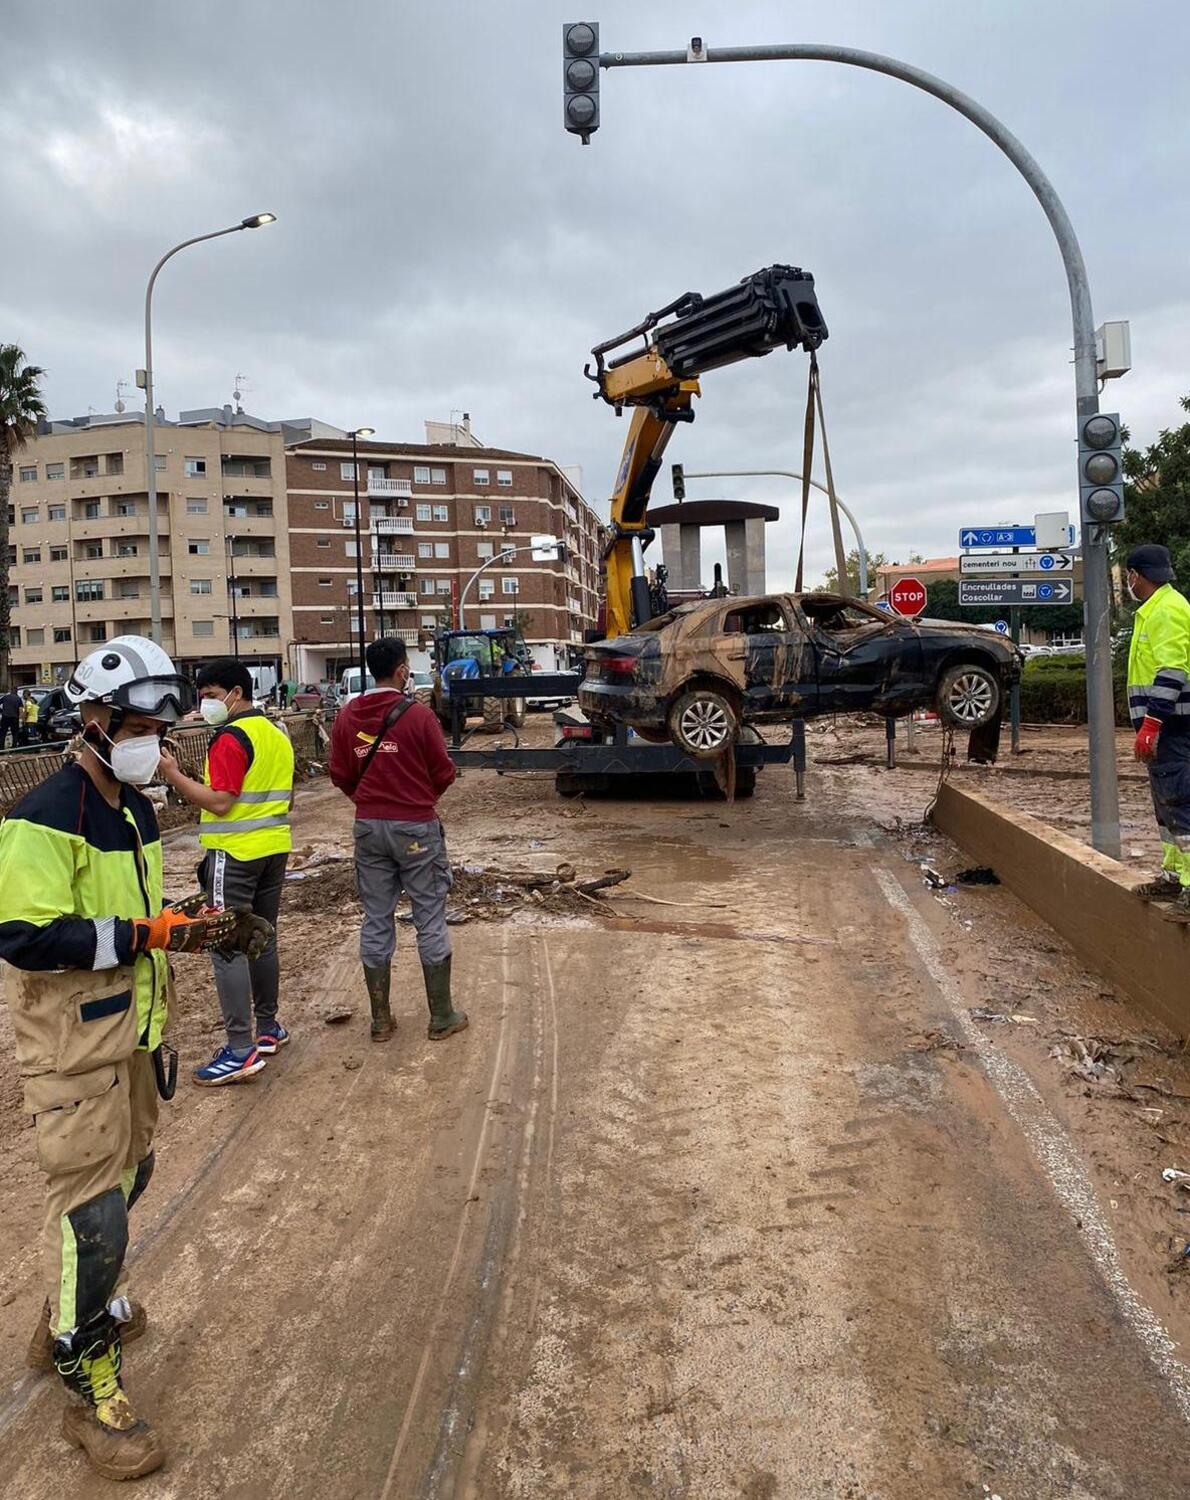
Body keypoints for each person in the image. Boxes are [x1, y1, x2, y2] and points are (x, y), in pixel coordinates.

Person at [0, 636, 256, 1480]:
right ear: (98, 719)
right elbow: (26, 936)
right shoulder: (44, 815)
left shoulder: (137, 810)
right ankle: (89, 1386)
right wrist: (152, 933)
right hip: (74, 1049)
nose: (159, 743)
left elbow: (131, 910)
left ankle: (63, 1313)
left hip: (135, 1035)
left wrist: (181, 921)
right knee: (93, 1211)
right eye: (145, 726)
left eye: (164, 729)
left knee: (132, 1176)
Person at [158, 658, 295, 1084]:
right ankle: (268, 1028)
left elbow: (220, 802)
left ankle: (239, 1048)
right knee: (262, 936)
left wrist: (173, 774)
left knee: (227, 946)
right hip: (273, 848)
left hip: (233, 854)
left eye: (211, 696)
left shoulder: (231, 737)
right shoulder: (276, 734)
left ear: (236, 692)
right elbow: (266, 795)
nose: (205, 704)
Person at [328, 637, 467, 1043]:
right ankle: (441, 1016)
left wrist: (369, 801)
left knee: (376, 917)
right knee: (429, 915)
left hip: (369, 827)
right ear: (403, 670)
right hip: (416, 829)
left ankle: (381, 1021)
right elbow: (443, 772)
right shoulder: (419, 717)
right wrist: (415, 801)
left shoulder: (347, 716)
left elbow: (339, 773)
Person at [1126, 544, 1190, 913]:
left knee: (1180, 803)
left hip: (1173, 727)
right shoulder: (1155, 610)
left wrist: (1151, 724)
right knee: (1166, 806)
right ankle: (1174, 876)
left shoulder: (1165, 611)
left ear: (1137, 575)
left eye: (1129, 577)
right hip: (1166, 727)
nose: (1128, 583)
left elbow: (1172, 672)